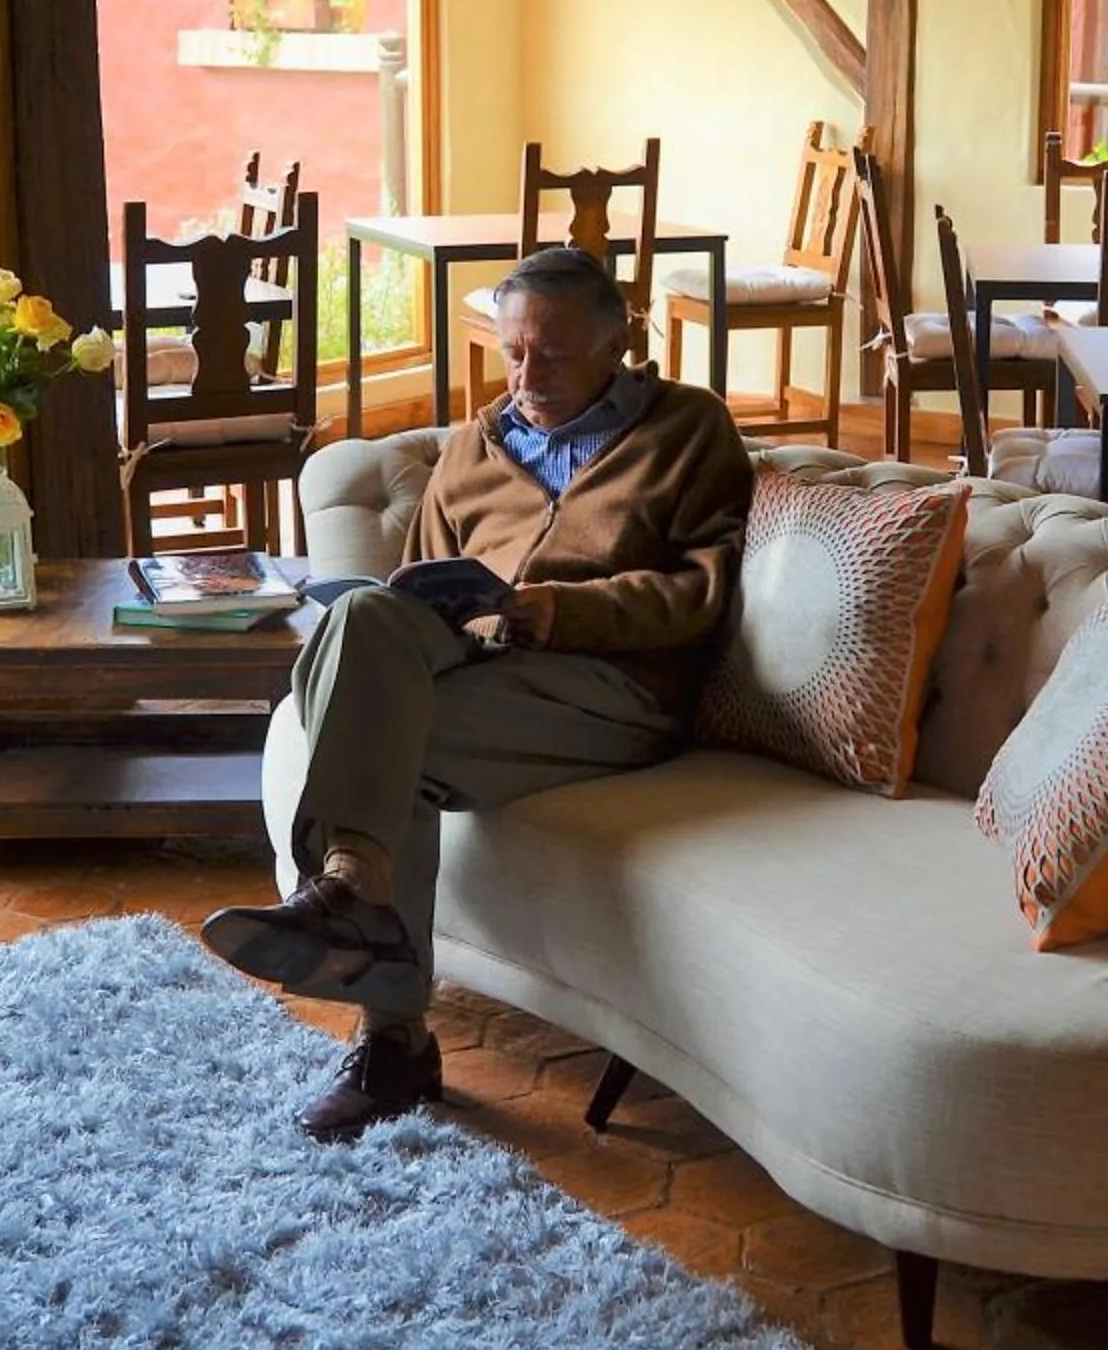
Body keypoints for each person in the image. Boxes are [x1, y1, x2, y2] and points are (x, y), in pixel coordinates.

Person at [202, 245, 755, 1139]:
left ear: (617, 343)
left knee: (386, 738)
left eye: (554, 354)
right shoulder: (475, 445)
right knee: (367, 626)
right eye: (513, 352)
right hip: (483, 676)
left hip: (612, 693)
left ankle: (381, 1010)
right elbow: (418, 577)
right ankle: (362, 917)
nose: (527, 374)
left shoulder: (688, 429)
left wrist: (555, 612)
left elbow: (704, 594)